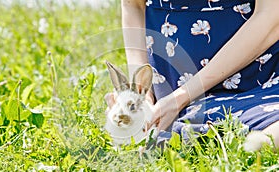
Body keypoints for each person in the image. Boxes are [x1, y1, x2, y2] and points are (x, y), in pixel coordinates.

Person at [106, 0, 279, 147]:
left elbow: (271, 17)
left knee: (266, 140)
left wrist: (182, 97)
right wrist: (141, 96)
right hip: (170, 91)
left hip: (257, 81)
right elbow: (133, 5)